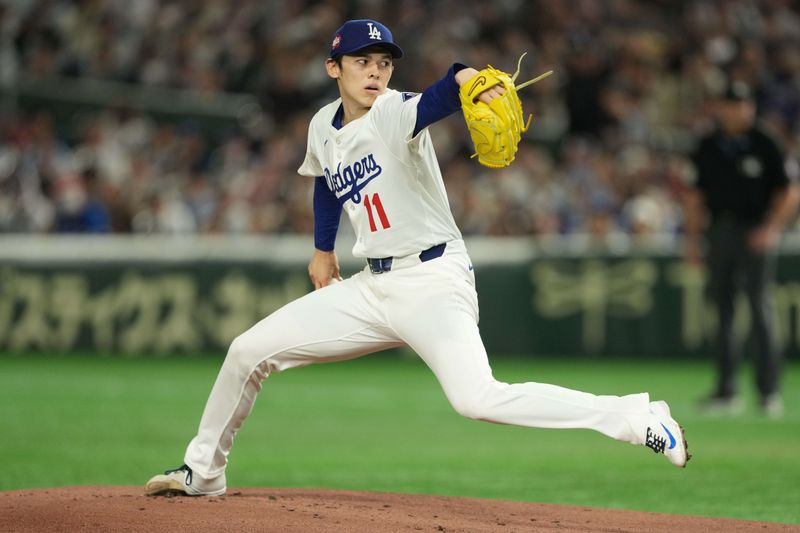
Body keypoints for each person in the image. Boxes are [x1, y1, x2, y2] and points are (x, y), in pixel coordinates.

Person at [145, 19, 689, 497]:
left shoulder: (391, 111)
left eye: (383, 62)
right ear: (333, 67)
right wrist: (322, 250)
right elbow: (326, 182)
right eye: (362, 61)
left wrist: (465, 77)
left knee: (477, 399)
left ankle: (634, 418)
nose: (375, 71)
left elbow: (437, 98)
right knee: (247, 351)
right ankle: (204, 472)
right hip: (370, 288)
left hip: (432, 280)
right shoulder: (321, 124)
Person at [683, 79, 800, 417]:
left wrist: (771, 228)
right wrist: (692, 239)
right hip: (719, 231)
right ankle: (726, 391)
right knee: (722, 311)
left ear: (751, 107)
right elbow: (695, 196)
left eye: (742, 105)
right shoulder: (708, 144)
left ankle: (768, 392)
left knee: (760, 309)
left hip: (754, 231)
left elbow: (789, 191)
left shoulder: (765, 141)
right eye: (731, 104)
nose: (736, 111)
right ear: (721, 107)